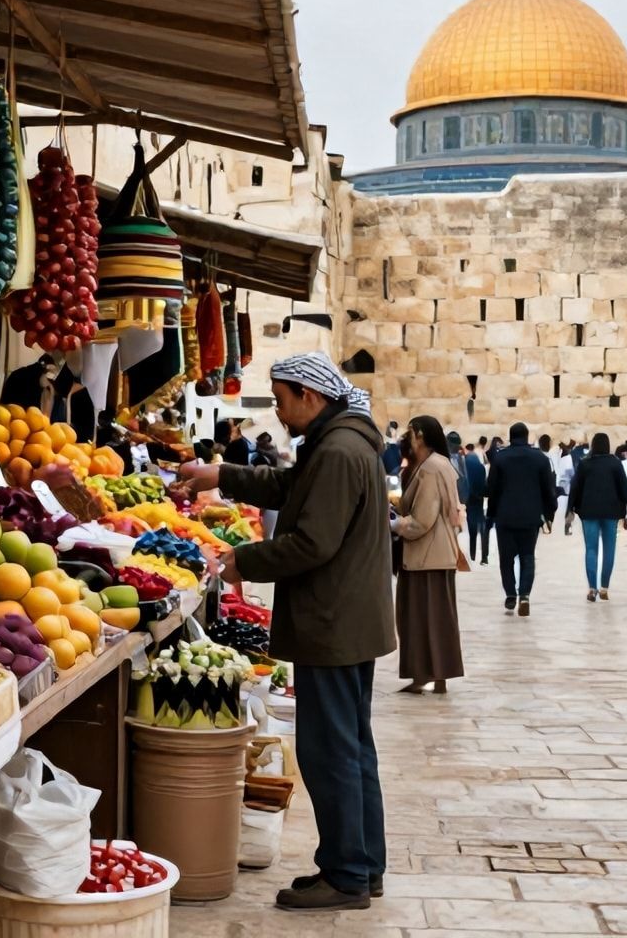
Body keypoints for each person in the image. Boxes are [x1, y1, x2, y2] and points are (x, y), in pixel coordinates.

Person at [177, 353, 394, 911]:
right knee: (352, 747)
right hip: (343, 619)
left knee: (331, 752)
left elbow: (313, 542)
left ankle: (346, 875)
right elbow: (291, 486)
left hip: (334, 621)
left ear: (310, 396)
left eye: (280, 398)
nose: (277, 409)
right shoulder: (338, 443)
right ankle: (361, 866)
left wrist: (241, 560)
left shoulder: (341, 451)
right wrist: (221, 475)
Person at [391, 416, 466, 696]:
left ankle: (428, 675)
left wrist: (395, 524)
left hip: (426, 556)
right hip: (434, 554)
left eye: (410, 433)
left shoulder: (432, 468)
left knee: (424, 616)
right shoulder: (435, 464)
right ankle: (432, 675)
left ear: (420, 435)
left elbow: (423, 519)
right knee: (432, 617)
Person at [486, 422, 553, 617]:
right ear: (526, 436)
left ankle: (510, 594)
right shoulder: (540, 459)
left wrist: (491, 515)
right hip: (530, 517)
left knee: (506, 559)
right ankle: (524, 595)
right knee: (527, 557)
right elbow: (548, 490)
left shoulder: (500, 459)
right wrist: (549, 514)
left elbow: (492, 490)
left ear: (510, 436)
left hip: (505, 517)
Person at [569, 433, 627, 602]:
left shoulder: (585, 464)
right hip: (611, 512)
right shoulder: (615, 464)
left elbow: (575, 488)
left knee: (591, 549)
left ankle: (592, 588)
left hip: (589, 512)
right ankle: (604, 587)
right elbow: (624, 490)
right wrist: (626, 510)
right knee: (609, 549)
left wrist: (571, 509)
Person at [462, 440, 489, 565]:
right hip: (478, 500)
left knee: (472, 530)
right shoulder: (480, 467)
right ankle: (484, 556)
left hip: (470, 500)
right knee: (482, 528)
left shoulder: (465, 465)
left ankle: (472, 555)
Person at [554, 440, 577, 536]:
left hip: (561, 486)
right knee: (569, 508)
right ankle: (567, 526)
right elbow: (571, 474)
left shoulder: (561, 457)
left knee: (565, 508)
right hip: (567, 488)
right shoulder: (567, 459)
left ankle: (565, 525)